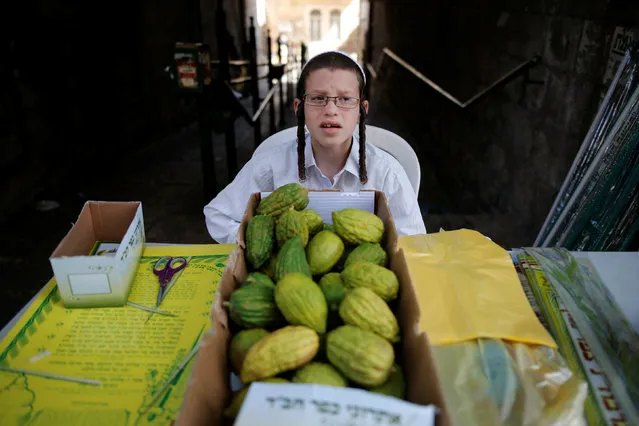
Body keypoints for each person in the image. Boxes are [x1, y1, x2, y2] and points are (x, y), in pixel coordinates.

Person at [203, 50, 426, 244]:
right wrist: (262, 246)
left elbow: (413, 240)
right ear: (299, 108)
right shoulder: (270, 166)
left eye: (346, 99)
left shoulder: (387, 172)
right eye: (318, 98)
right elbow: (218, 215)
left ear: (362, 110)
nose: (331, 109)